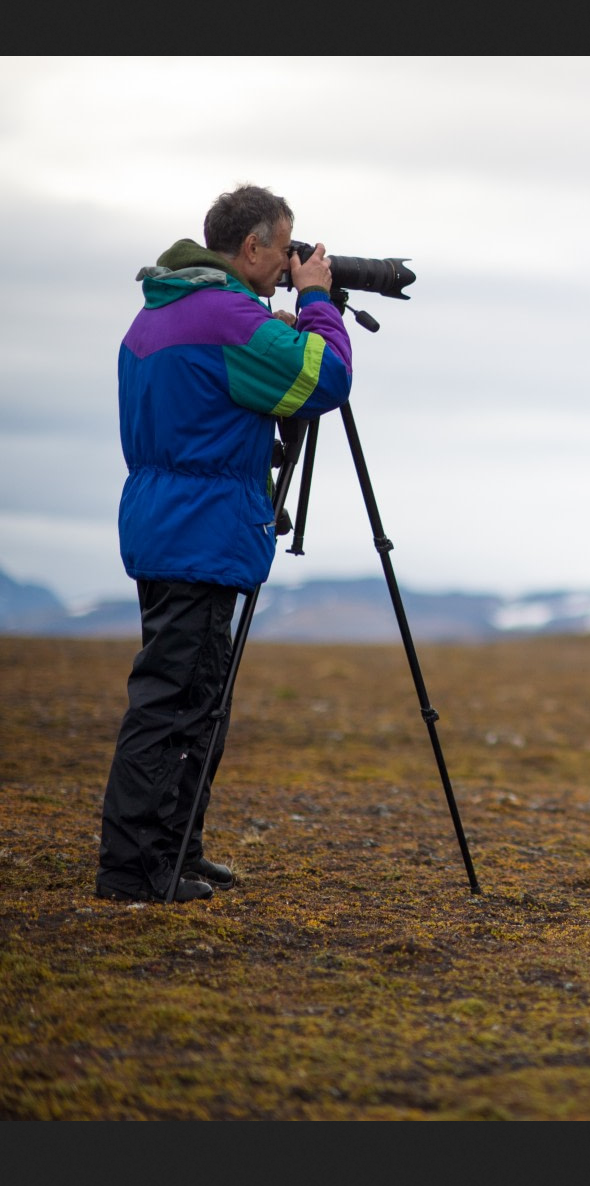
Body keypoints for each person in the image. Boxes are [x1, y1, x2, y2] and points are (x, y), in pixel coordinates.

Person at [96, 185, 354, 903]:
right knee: (174, 700)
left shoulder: (161, 313)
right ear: (252, 248)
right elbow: (325, 375)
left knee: (194, 696)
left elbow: (199, 417)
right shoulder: (225, 318)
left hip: (165, 524)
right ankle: (134, 869)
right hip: (201, 533)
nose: (289, 262)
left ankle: (177, 849)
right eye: (284, 249)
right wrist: (317, 305)